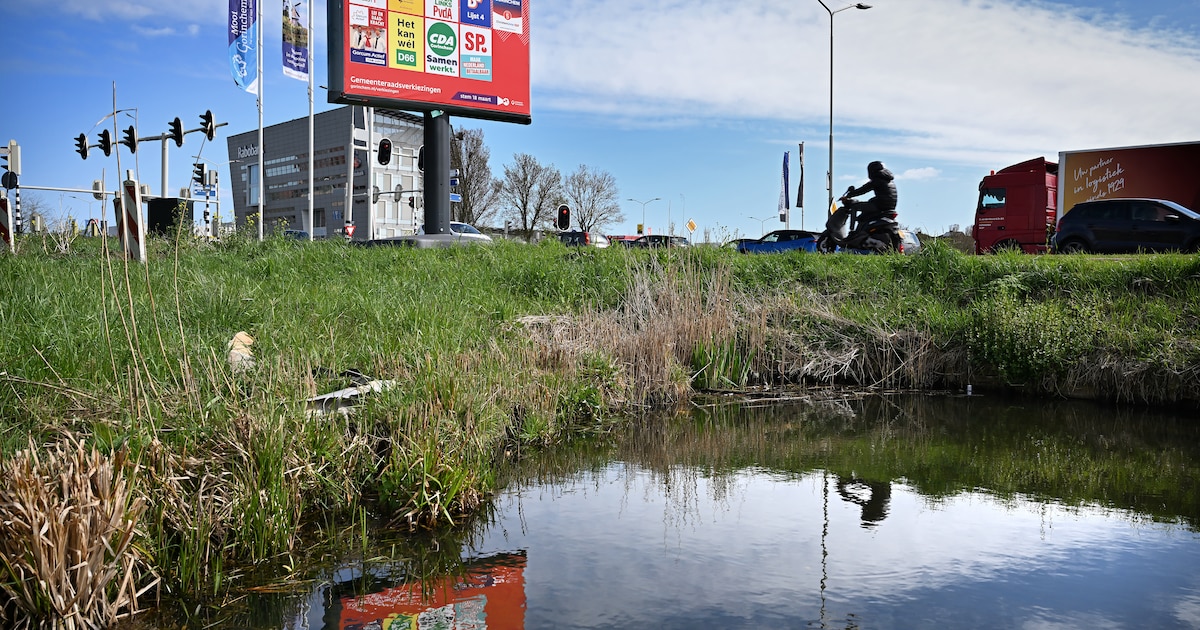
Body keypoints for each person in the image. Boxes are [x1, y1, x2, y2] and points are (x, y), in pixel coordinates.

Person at [841, 160, 898, 225]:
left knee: (855, 207)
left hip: (880, 206)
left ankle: (852, 230)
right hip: (890, 207)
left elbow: (863, 189)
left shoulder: (877, 179)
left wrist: (849, 194)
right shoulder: (888, 180)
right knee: (866, 213)